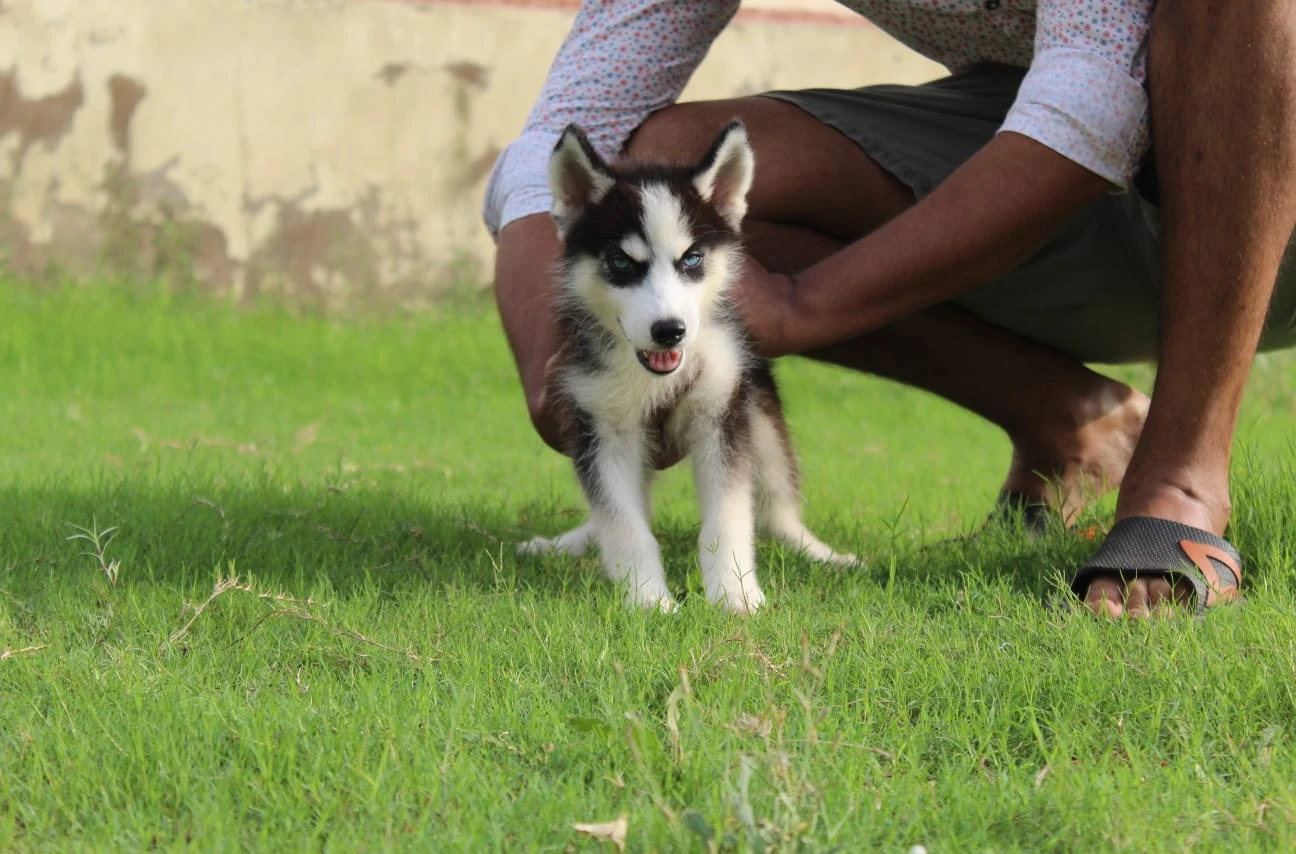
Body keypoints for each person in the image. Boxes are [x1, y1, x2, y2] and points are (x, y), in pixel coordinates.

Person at [482, 1, 1296, 619]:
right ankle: (1075, 425)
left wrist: (801, 304)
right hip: (1110, 177)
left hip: (1263, 153)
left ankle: (1180, 476)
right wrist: (551, 361)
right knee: (669, 180)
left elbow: (1091, 104)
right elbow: (572, 127)